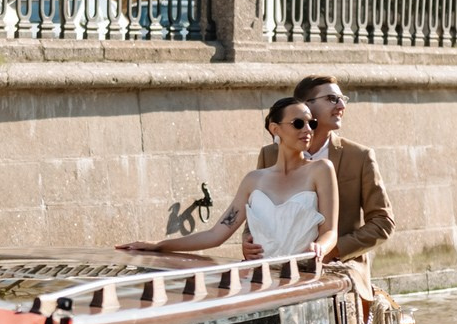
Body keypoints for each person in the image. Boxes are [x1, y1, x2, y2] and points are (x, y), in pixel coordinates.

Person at [119, 96, 338, 262]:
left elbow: (330, 232)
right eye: (298, 123)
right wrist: (159, 245)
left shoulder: (321, 169)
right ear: (275, 129)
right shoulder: (253, 180)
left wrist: (319, 247)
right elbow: (216, 234)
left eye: (312, 123)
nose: (308, 130)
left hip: (304, 278)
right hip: (259, 278)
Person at [245, 75, 393, 301]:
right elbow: (256, 210)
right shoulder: (270, 154)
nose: (341, 106)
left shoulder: (359, 156)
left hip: (340, 268)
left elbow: (383, 223)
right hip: (278, 267)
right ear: (305, 106)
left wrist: (333, 250)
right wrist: (248, 240)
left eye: (342, 99)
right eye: (332, 99)